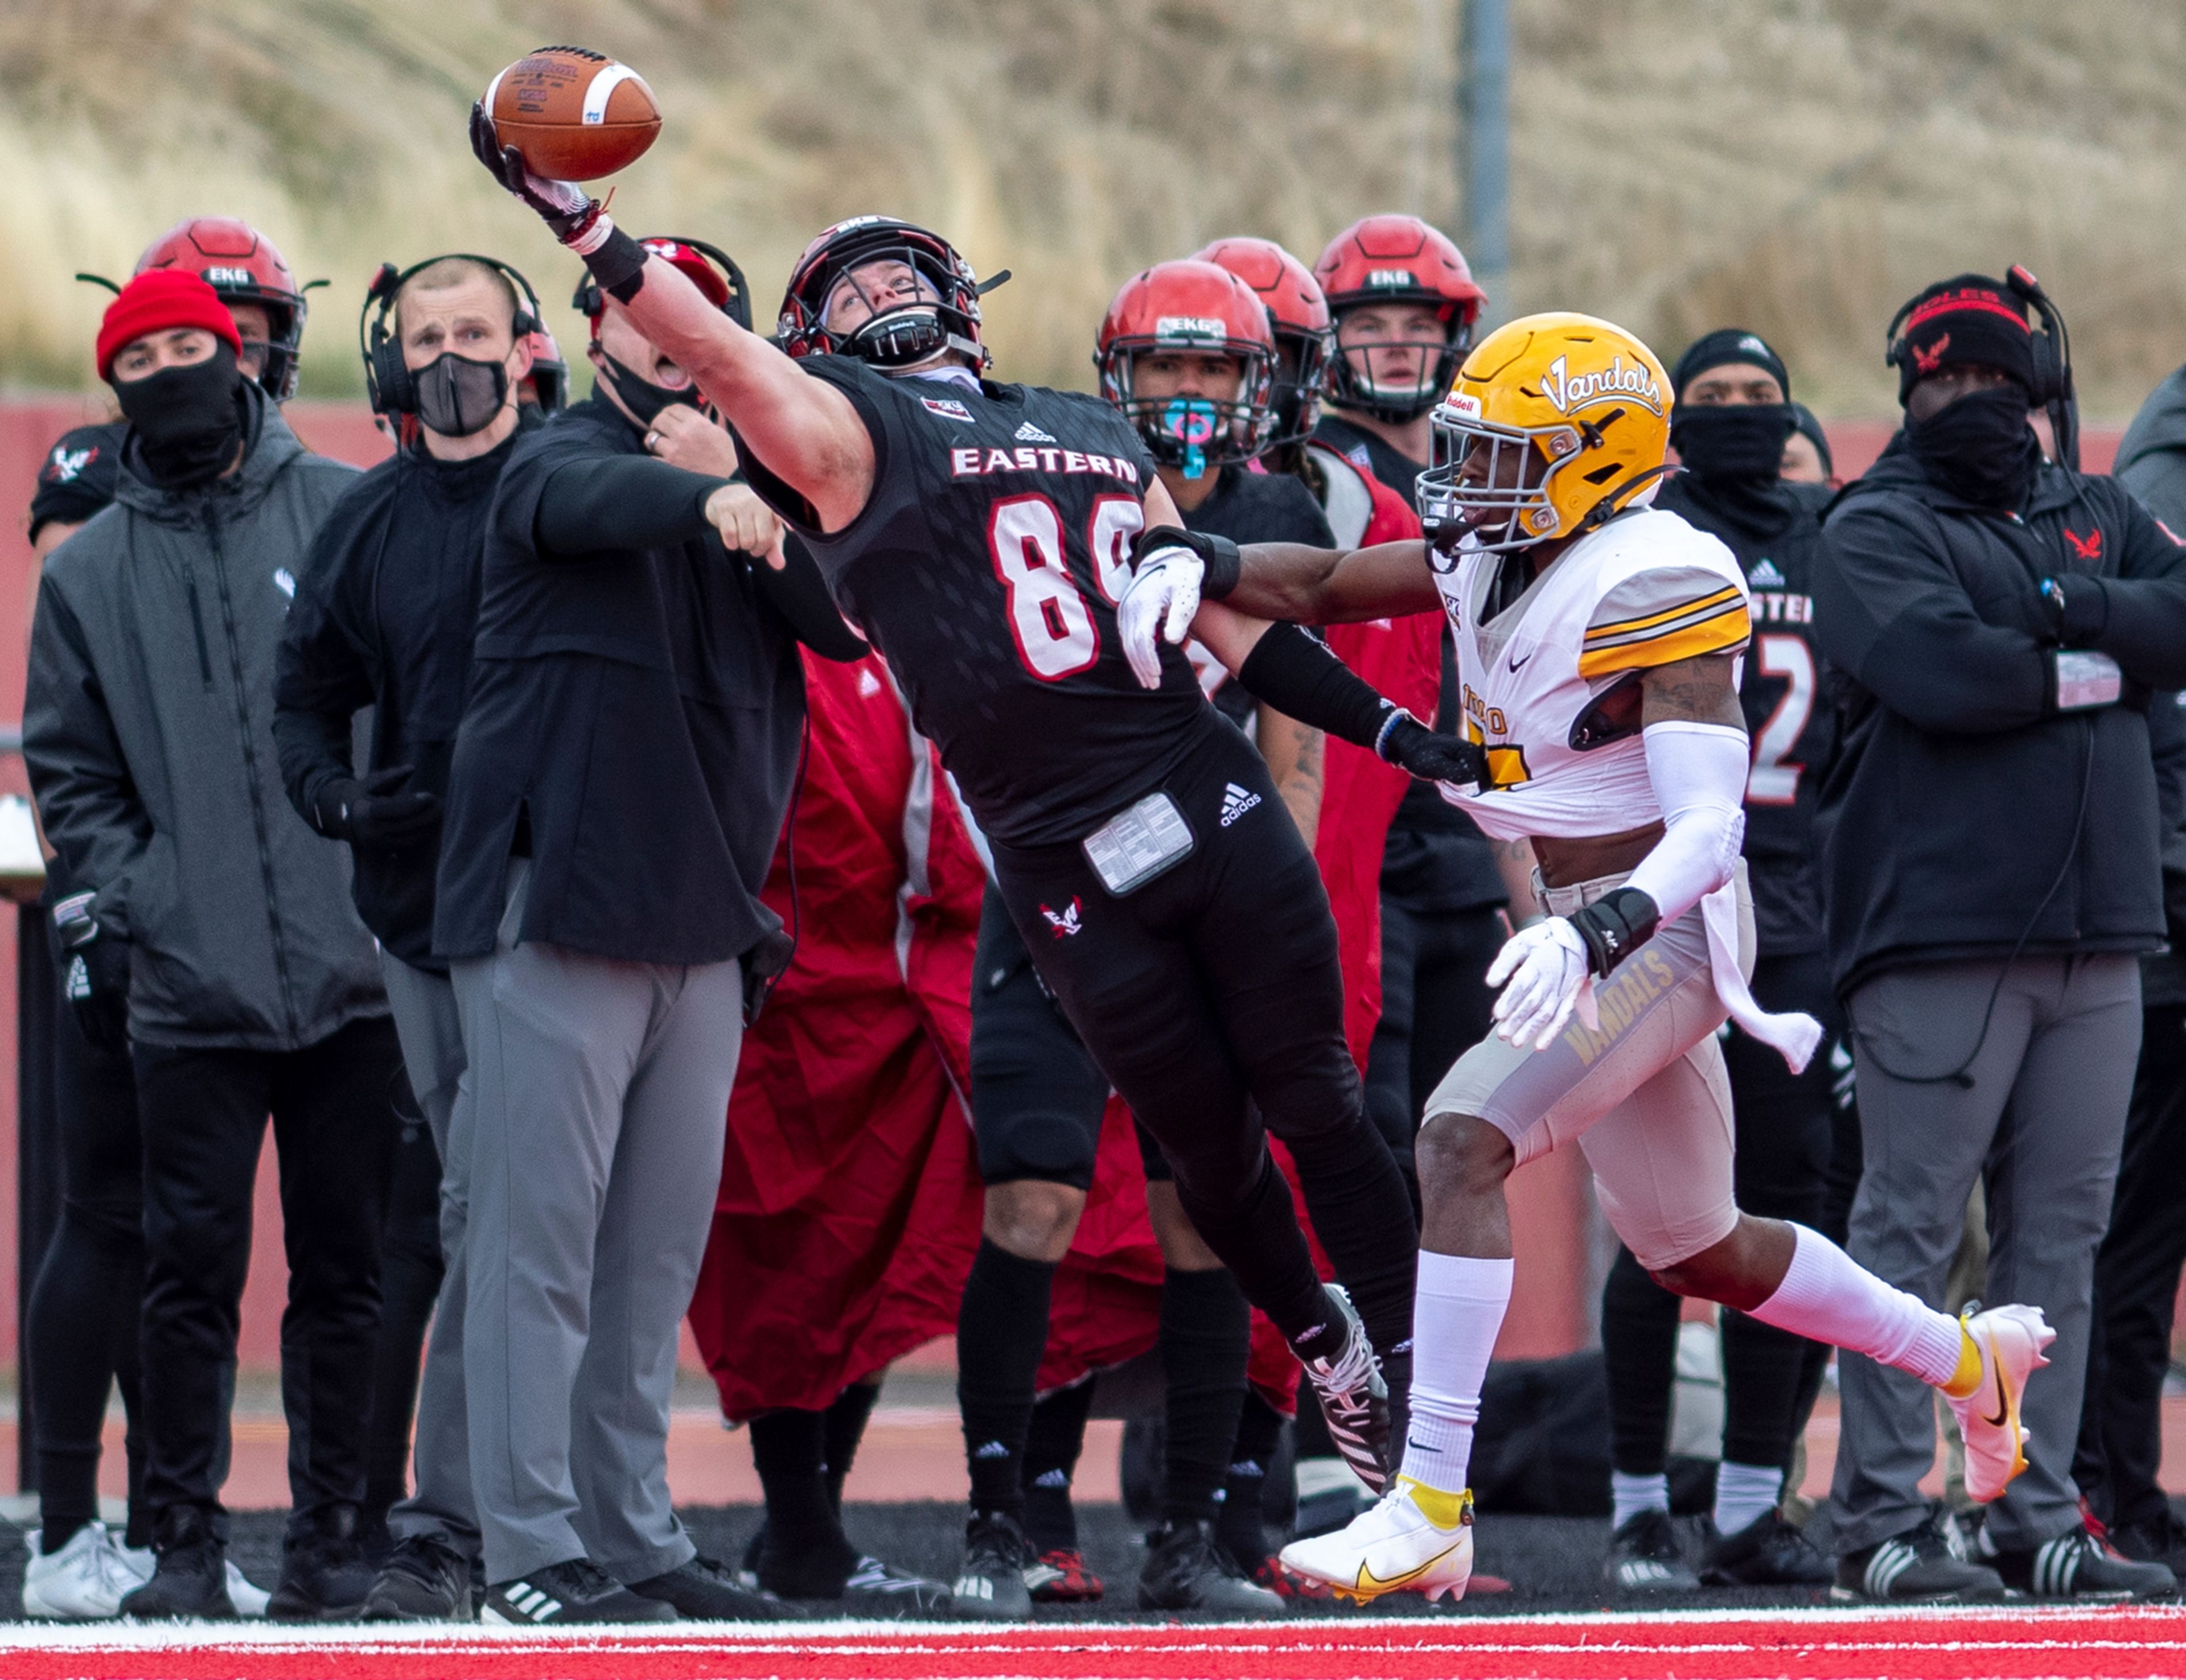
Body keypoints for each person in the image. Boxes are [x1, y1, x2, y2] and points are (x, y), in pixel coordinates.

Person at [470, 124, 1468, 1552]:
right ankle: (1328, 1351)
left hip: (1203, 796)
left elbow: (1239, 631)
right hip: (1063, 868)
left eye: (901, 274)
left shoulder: (1098, 421)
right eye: (853, 288)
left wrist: (1408, 745)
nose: (884, 295)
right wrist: (584, 228)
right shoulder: (843, 442)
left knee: (1317, 1096)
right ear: (819, 345)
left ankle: (1416, 1397)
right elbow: (721, 351)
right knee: (1210, 1146)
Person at [1119, 309, 2063, 1608]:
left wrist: (1594, 927)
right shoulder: (1493, 536)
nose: (1468, 480)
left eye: (1507, 455)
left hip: (1656, 925)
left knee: (1458, 1142)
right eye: (1471, 449)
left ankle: (1431, 1506)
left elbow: (1707, 831)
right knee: (1700, 1249)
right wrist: (1202, 555)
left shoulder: (1654, 576)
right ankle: (1968, 1360)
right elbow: (1330, 587)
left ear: (1597, 461)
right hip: (1581, 917)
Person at [430, 225, 858, 1624]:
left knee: (650, 1265)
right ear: (597, 324)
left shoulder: (737, 472)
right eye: (637, 307)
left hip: (701, 928)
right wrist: (699, 500)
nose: (668, 331)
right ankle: (526, 1552)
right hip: (562, 909)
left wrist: (733, 483)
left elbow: (840, 624)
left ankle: (629, 1530)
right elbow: (577, 509)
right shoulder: (551, 461)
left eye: (696, 316)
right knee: (532, 1250)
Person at [24, 270, 405, 1620]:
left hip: (356, 974)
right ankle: (180, 1541)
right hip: (187, 990)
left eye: (196, 344)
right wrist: (140, 902)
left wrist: (382, 864)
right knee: (187, 1279)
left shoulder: (348, 506)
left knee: (347, 1273)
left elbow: (411, 698)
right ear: (117, 379)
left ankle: (336, 1539)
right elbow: (71, 771)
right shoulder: (93, 574)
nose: (177, 368)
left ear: (235, 357)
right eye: (147, 353)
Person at [1813, 274, 2186, 1603]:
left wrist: (2058, 626)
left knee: (2060, 1245)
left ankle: (2039, 1514)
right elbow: (1940, 673)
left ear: (2036, 395)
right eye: (1947, 387)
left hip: (2102, 935)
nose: (1974, 406)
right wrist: (2103, 650)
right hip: (1939, 933)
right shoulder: (1873, 522)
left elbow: (2181, 627)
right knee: (1907, 1236)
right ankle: (1873, 1520)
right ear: (1910, 398)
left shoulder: (2097, 509)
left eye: (1995, 385)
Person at [271, 253, 551, 1620]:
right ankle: (486, 1521)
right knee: (469, 1207)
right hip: (411, 912)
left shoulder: (575, 489)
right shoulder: (367, 523)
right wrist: (331, 794)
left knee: (504, 1213)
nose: (451, 355)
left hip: (555, 907)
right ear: (392, 363)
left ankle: (482, 1522)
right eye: (428, 335)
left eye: (473, 332)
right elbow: (301, 698)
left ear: (524, 347)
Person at [1594, 330, 1839, 1592]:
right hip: (1667, 904)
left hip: (1800, 915)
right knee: (1663, 1223)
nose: (1739, 416)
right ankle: (1639, 1502)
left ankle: (1749, 1503)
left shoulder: (1833, 535)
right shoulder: (1644, 538)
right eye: (1713, 399)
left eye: (1759, 397)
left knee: (1790, 1207)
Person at [1314, 217, 1510, 1276]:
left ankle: (1429, 1422)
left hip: (1459, 856)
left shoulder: (1488, 470)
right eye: (1369, 322)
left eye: (1416, 323)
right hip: (1358, 851)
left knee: (1462, 1149)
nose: (1394, 345)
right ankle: (1329, 1416)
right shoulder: (1313, 472)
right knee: (1366, 1144)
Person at [2077, 370, 2186, 1579]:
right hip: (2167, 916)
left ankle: (2120, 1484)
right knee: (2131, 1229)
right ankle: (2111, 1487)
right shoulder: (2156, 491)